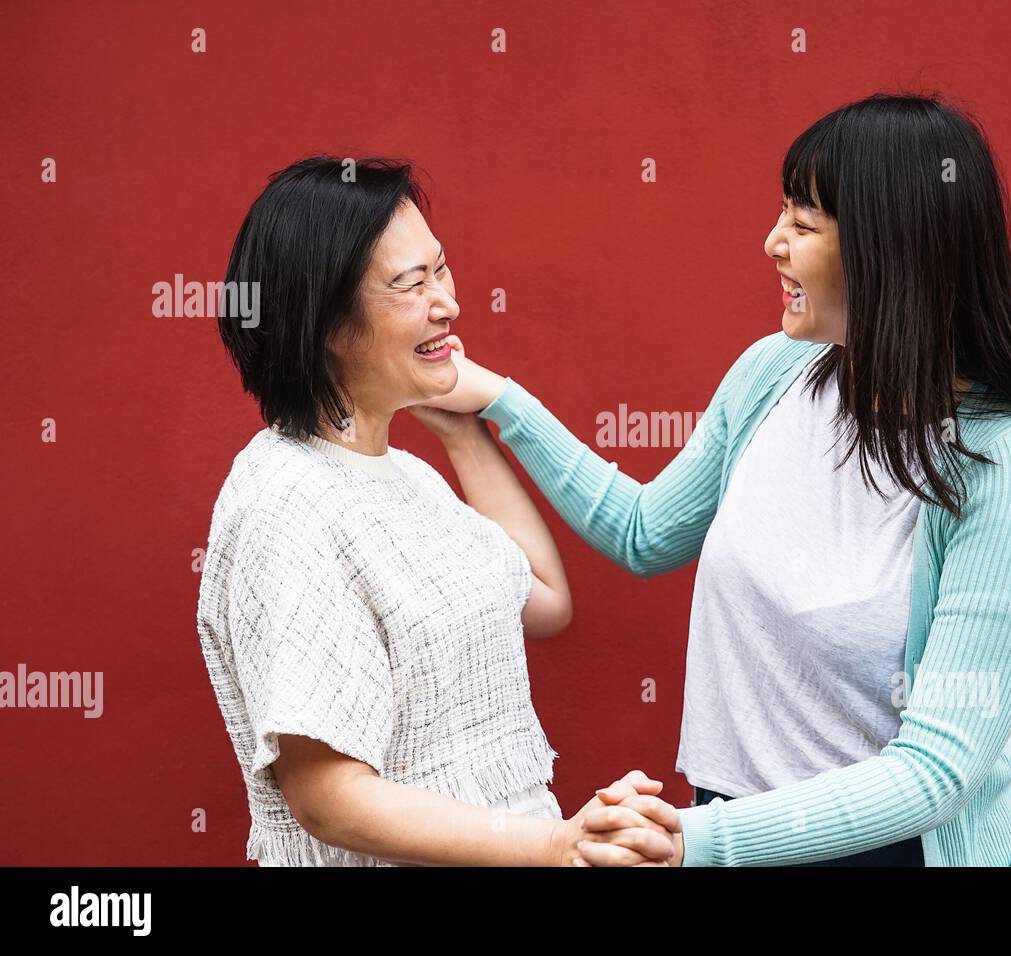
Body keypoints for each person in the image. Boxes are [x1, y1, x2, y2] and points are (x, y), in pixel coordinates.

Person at [416, 92, 1011, 866]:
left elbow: (938, 773)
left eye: (803, 225)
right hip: (727, 831)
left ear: (892, 249)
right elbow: (644, 534)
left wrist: (694, 844)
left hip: (893, 850)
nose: (772, 243)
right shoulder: (776, 373)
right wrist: (494, 403)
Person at [196, 156, 679, 866]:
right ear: (325, 319)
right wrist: (552, 844)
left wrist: (461, 425)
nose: (447, 302)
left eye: (441, 270)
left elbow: (543, 601)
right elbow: (327, 798)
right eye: (410, 284)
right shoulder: (285, 502)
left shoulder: (407, 475)